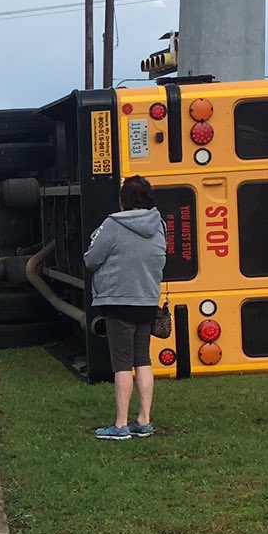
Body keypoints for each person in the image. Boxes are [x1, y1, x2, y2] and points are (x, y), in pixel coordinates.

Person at [83, 175, 168, 441]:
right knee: (143, 359)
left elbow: (91, 260)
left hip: (118, 301)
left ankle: (120, 425)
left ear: (123, 200)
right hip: (147, 301)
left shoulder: (113, 224)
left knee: (122, 364)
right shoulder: (159, 225)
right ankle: (144, 420)